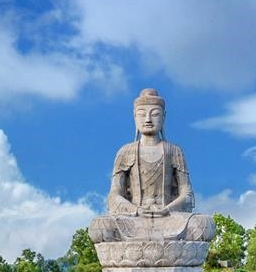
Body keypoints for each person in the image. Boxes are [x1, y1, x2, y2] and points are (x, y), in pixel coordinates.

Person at [88, 88, 215, 244]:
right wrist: (135, 210)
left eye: (154, 114)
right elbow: (114, 195)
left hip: (168, 218)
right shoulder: (125, 151)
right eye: (142, 114)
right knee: (99, 227)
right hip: (134, 219)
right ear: (134, 117)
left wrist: (167, 209)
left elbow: (187, 194)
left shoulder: (174, 151)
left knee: (205, 225)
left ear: (163, 118)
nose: (148, 119)